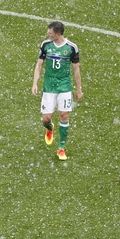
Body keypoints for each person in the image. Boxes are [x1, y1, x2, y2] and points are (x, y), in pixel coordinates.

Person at [31, 21, 83, 161]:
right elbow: (39, 65)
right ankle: (49, 128)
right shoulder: (46, 45)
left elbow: (76, 70)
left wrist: (79, 89)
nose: (48, 35)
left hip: (64, 87)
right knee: (46, 119)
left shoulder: (71, 48)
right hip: (49, 87)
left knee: (64, 115)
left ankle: (61, 148)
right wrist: (35, 83)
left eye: (50, 33)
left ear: (58, 34)